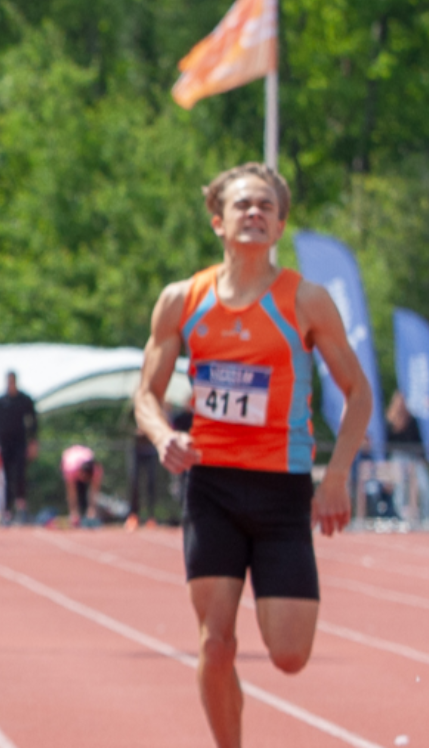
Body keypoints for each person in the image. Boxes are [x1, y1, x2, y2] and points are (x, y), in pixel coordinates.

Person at [134, 162, 371, 748]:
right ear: (218, 220)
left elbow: (360, 393)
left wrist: (336, 475)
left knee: (289, 655)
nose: (255, 213)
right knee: (216, 642)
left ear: (281, 224)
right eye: (243, 205)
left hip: (281, 489)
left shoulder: (305, 301)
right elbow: (145, 394)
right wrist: (165, 436)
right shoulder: (181, 300)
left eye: (266, 206)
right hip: (211, 485)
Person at [0, 370, 38, 525]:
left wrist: (33, 441)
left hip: (20, 442)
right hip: (5, 443)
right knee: (6, 477)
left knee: (20, 474)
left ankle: (21, 507)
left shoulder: (24, 399)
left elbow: (34, 421)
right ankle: (7, 510)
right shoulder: (0, 401)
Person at [61, 444, 101, 528]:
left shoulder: (97, 471)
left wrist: (92, 511)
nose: (84, 480)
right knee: (74, 492)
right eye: (83, 477)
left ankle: (88, 515)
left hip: (85, 455)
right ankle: (74, 514)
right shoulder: (70, 469)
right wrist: (74, 513)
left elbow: (94, 492)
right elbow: (71, 493)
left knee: (90, 507)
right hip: (69, 456)